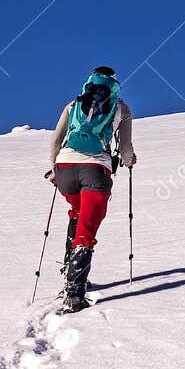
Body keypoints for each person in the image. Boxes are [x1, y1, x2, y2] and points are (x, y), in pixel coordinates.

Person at [48, 66, 137, 313]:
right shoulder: (122, 108)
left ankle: (70, 275)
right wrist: (129, 161)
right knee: (86, 230)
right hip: (95, 171)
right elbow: (126, 149)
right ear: (115, 83)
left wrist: (54, 170)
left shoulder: (73, 104)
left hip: (65, 168)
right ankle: (74, 294)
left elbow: (56, 139)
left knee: (77, 212)